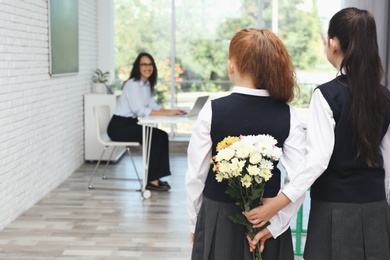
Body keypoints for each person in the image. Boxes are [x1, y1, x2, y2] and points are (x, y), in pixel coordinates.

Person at [246, 8, 390, 259]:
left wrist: (277, 204)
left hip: (333, 209)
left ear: (333, 44)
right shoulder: (386, 97)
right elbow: (388, 164)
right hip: (377, 209)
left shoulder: (326, 95)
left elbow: (317, 160)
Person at [185, 28, 306, 260]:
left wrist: (196, 223)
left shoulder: (212, 110)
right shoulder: (288, 114)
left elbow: (195, 177)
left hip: (217, 219)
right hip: (267, 219)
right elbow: (300, 179)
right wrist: (276, 224)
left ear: (232, 65)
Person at [107, 52, 187, 191]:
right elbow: (140, 110)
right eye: (144, 64)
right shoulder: (132, 85)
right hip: (118, 127)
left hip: (130, 124)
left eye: (150, 64)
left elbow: (153, 106)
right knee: (155, 137)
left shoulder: (146, 84)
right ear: (137, 67)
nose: (147, 67)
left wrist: (173, 111)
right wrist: (169, 112)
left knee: (161, 135)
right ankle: (152, 180)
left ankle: (154, 178)